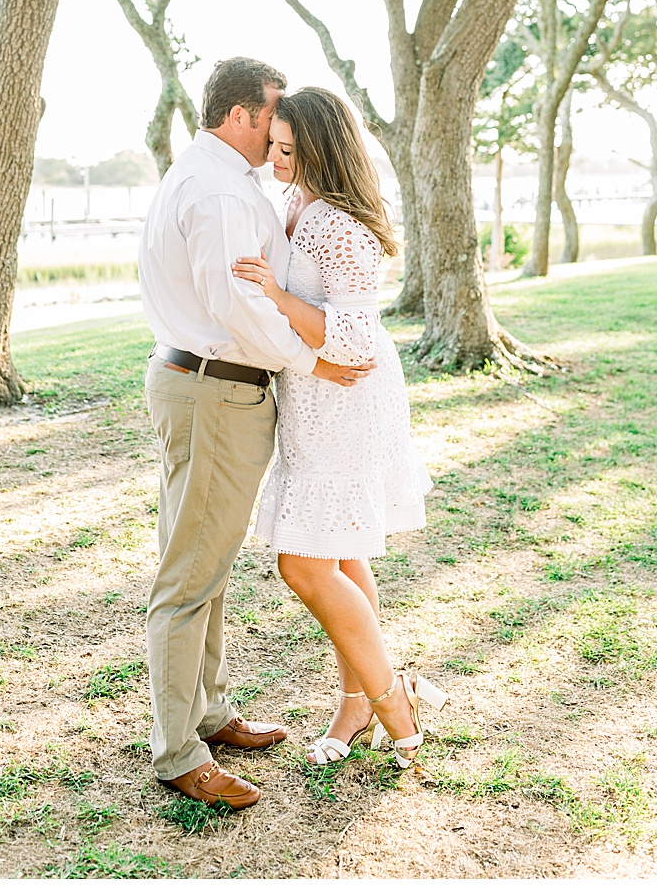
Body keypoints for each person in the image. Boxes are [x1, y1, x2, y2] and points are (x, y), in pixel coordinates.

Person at [137, 58, 374, 811]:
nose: (280, 128)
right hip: (213, 390)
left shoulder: (220, 181)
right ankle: (178, 751)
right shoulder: (214, 190)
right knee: (187, 576)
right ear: (241, 116)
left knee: (204, 562)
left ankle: (208, 713)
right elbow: (235, 305)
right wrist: (314, 360)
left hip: (212, 387)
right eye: (273, 114)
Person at [232, 85, 446, 776]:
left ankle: (392, 701)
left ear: (323, 152)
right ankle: (357, 702)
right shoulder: (297, 204)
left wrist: (276, 294)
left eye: (291, 152)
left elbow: (355, 338)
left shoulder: (342, 226)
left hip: (346, 403)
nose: (278, 161)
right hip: (310, 401)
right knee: (346, 559)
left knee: (303, 563)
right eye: (276, 148)